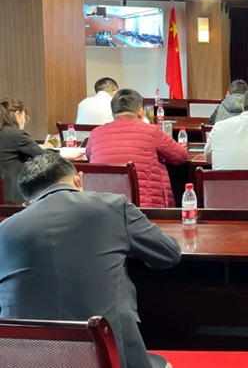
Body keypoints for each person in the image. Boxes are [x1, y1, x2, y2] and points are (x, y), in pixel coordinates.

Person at [0, 153, 180, 368]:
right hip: (108, 357)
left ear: (26, 204)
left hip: (25, 359)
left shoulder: (4, 230)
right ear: (79, 179)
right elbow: (169, 254)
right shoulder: (113, 206)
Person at [86, 89, 188, 208]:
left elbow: (89, 156)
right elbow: (181, 156)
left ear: (113, 113)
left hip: (102, 206)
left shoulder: (95, 133)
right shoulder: (152, 131)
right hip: (145, 208)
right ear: (140, 112)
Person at [0, 98, 45, 204]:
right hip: (13, 197)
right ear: (17, 114)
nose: (25, 121)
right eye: (25, 117)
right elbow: (45, 156)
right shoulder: (16, 135)